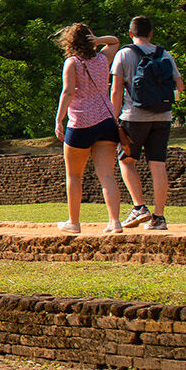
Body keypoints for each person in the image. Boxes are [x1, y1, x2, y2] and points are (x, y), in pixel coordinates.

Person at [111, 16, 182, 231]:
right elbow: (180, 85)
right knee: (158, 165)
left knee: (126, 160)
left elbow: (115, 90)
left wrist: (114, 118)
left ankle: (139, 207)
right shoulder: (165, 54)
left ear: (130, 34)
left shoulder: (124, 54)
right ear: (151, 33)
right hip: (163, 117)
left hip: (134, 117)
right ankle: (159, 218)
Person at [53, 23, 125, 233]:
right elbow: (115, 42)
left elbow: (67, 92)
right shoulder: (103, 59)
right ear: (90, 39)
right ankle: (115, 221)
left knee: (74, 176)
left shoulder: (72, 63)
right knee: (107, 175)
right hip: (105, 120)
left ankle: (74, 222)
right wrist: (99, 39)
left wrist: (59, 120)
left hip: (81, 123)